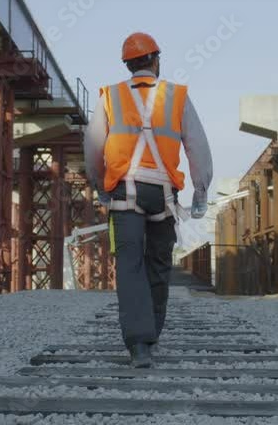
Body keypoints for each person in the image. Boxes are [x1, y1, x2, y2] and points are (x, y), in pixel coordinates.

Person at [83, 32, 213, 368]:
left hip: (124, 193)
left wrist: (100, 185)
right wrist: (200, 192)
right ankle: (151, 331)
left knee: (130, 266)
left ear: (128, 64)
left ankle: (139, 345)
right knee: (158, 264)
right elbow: (197, 146)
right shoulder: (177, 96)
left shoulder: (110, 96)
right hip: (164, 196)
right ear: (156, 60)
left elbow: (93, 147)